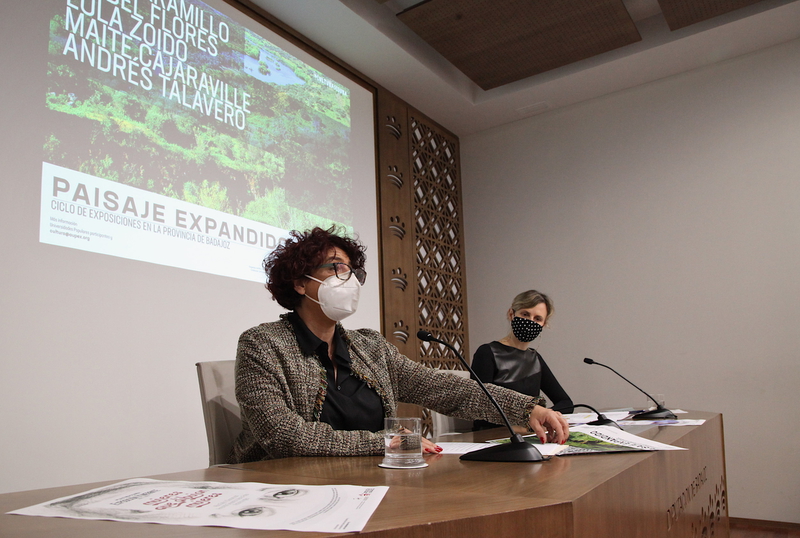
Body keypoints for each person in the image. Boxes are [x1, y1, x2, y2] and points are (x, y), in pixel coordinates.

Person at [230, 227, 569, 463]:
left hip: (371, 484)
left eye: (351, 272)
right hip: (287, 492)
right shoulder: (261, 345)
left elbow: (444, 389)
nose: (347, 280)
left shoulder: (370, 347)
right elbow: (282, 435)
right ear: (301, 283)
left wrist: (527, 409)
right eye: (336, 268)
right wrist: (383, 441)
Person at [471, 290, 573, 431]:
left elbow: (566, 402)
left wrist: (546, 416)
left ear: (543, 324)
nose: (530, 321)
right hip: (492, 437)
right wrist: (528, 420)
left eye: (537, 318)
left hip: (528, 437)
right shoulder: (487, 353)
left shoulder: (535, 358)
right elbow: (478, 407)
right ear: (511, 314)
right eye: (525, 314)